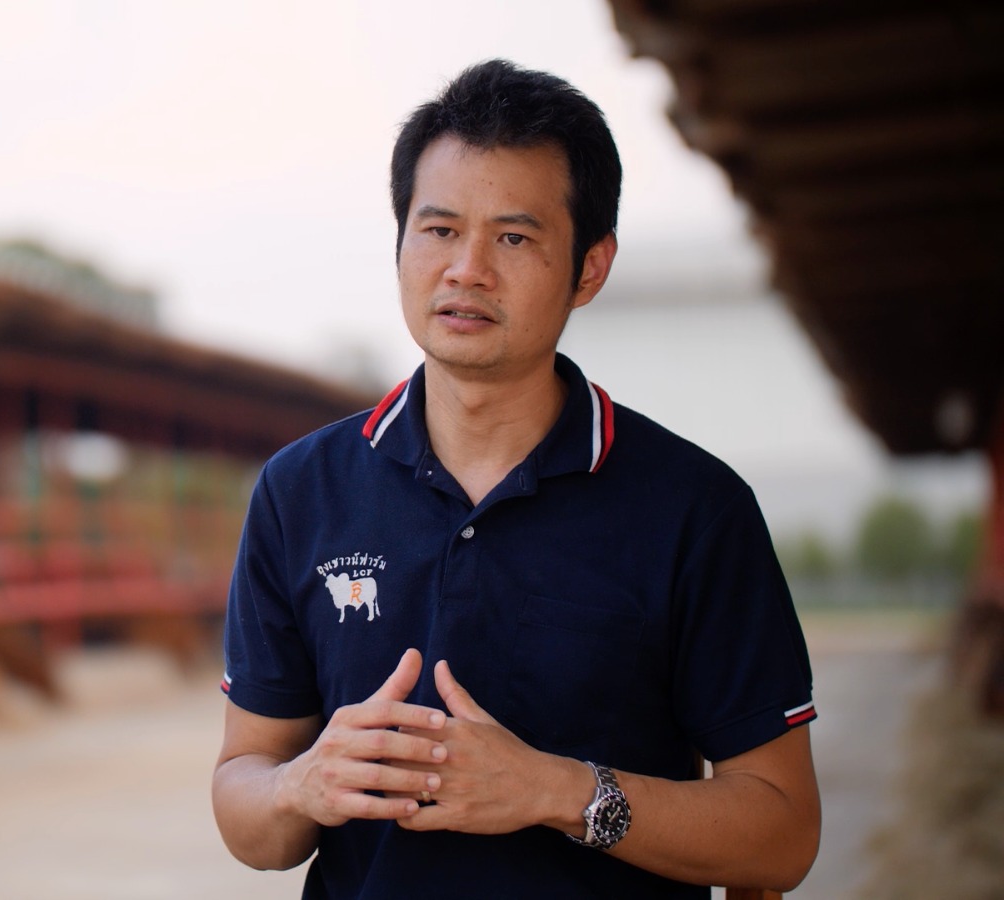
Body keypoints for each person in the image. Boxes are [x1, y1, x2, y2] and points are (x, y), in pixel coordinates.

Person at [211, 59, 821, 898]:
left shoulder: (694, 508)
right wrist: (299, 785)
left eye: (513, 238)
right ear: (400, 244)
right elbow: (247, 801)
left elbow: (782, 833)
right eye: (438, 229)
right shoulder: (300, 491)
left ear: (589, 268)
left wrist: (559, 792)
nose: (467, 269)